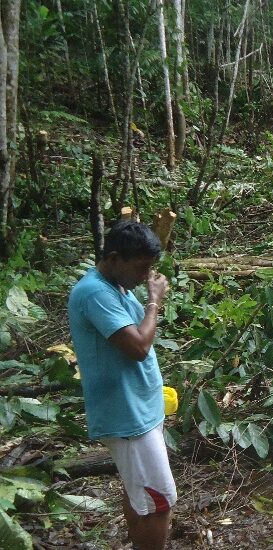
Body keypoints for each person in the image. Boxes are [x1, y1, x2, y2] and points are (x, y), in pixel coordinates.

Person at [67, 221, 175, 550]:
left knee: (140, 494)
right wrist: (154, 301)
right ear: (114, 258)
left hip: (140, 409)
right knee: (159, 500)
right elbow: (138, 347)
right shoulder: (95, 292)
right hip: (126, 415)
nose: (146, 276)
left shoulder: (113, 284)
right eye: (141, 268)